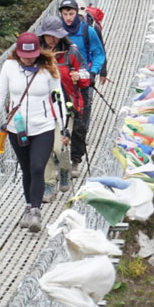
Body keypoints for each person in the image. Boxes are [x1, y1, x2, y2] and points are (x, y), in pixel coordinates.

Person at [0, 32, 67, 232]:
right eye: (24, 55)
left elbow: (58, 97)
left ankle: (36, 213)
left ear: (38, 52)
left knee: (38, 167)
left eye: (31, 55)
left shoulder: (48, 68)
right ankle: (29, 206)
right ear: (18, 53)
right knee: (27, 169)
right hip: (17, 128)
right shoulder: (9, 67)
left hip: (43, 126)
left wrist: (63, 124)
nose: (28, 59)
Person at [37, 16, 91, 199]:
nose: (52, 39)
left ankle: (64, 170)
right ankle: (49, 184)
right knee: (45, 148)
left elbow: (86, 74)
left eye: (55, 36)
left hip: (65, 106)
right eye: (48, 35)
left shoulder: (71, 52)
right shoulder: (36, 54)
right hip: (41, 108)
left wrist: (79, 76)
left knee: (60, 146)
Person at [57, 0, 106, 176]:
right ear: (61, 14)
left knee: (80, 122)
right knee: (61, 120)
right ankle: (60, 158)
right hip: (62, 82)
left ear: (77, 13)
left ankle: (76, 159)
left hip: (83, 81)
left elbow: (99, 53)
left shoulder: (87, 30)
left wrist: (93, 73)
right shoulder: (56, 32)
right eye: (65, 14)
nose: (68, 17)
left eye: (71, 13)